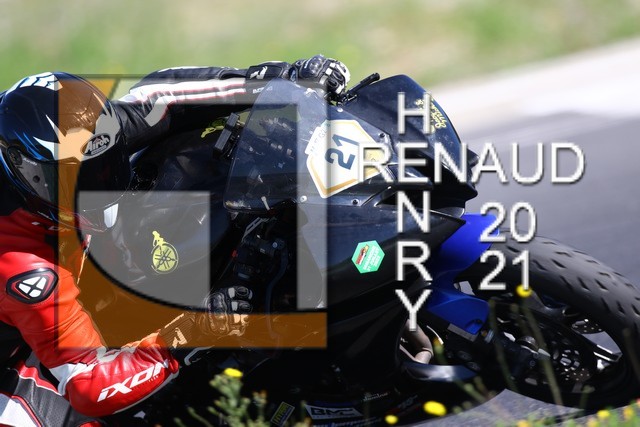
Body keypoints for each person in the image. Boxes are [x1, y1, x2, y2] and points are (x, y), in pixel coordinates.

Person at [0, 55, 350, 425]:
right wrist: (192, 331)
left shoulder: (73, 139)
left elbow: (159, 97)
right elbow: (88, 381)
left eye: (105, 164)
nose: (99, 187)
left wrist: (282, 79)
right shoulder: (22, 265)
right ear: (22, 169)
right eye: (73, 179)